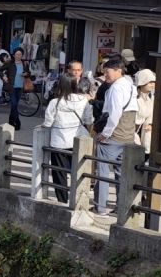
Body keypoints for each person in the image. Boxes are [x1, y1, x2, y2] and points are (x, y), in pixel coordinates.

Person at [93, 54, 139, 217]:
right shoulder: (130, 85)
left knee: (103, 171)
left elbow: (114, 114)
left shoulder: (116, 88)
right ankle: (121, 207)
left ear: (118, 70)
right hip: (127, 136)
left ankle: (100, 207)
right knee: (121, 172)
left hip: (113, 136)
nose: (105, 75)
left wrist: (105, 134)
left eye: (108, 72)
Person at [41, 75, 89, 204]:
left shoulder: (55, 102)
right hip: (78, 140)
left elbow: (48, 122)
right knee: (79, 170)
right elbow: (89, 120)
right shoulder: (83, 100)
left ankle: (62, 200)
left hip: (59, 141)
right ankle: (79, 198)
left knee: (59, 173)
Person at [132, 68, 156, 153]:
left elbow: (151, 114)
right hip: (129, 131)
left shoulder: (151, 98)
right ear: (142, 82)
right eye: (150, 82)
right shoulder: (133, 96)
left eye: (154, 82)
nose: (153, 84)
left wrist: (150, 124)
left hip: (143, 132)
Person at [5, 47, 27, 132]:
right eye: (17, 54)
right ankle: (17, 122)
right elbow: (0, 70)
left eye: (20, 54)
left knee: (15, 105)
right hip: (12, 87)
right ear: (14, 55)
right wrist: (4, 76)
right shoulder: (10, 63)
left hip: (20, 87)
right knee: (14, 104)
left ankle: (11, 122)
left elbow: (29, 74)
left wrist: (26, 74)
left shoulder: (24, 63)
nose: (19, 56)